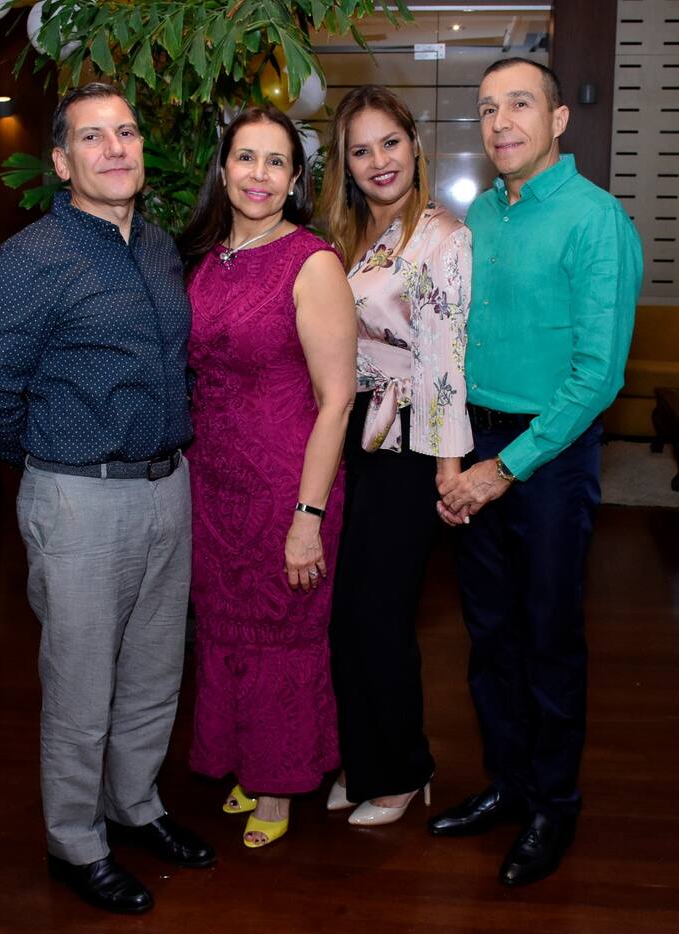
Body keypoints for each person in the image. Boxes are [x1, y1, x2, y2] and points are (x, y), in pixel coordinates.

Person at [0, 83, 214, 914]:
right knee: (79, 687)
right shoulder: (30, 259)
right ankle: (74, 843)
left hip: (168, 486)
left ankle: (135, 805)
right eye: (93, 137)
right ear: (63, 162)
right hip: (80, 500)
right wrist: (52, 460)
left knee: (153, 673)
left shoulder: (159, 248)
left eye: (127, 132)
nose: (116, 148)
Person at [431, 58, 643, 886]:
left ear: (558, 119)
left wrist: (503, 469)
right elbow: (451, 341)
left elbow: (598, 376)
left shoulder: (596, 219)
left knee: (548, 636)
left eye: (519, 104)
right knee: (490, 635)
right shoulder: (481, 214)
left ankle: (555, 804)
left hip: (548, 452)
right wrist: (456, 455)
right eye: (488, 109)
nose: (500, 122)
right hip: (475, 439)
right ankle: (508, 784)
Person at [178, 106, 357, 848]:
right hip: (212, 485)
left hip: (287, 482)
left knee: (284, 632)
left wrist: (307, 517)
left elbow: (337, 399)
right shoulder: (206, 256)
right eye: (245, 157)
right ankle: (248, 766)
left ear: (295, 179)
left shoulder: (311, 261)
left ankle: (279, 784)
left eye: (276, 161)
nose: (258, 174)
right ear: (222, 170)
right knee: (226, 630)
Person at [319, 86, 473, 826]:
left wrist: (447, 472)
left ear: (414, 144)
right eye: (361, 150)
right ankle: (365, 757)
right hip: (352, 433)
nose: (379, 160)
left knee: (379, 613)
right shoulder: (345, 235)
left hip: (410, 440)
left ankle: (407, 768)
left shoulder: (443, 236)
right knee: (347, 614)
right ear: (345, 165)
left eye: (390, 142)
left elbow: (446, 361)